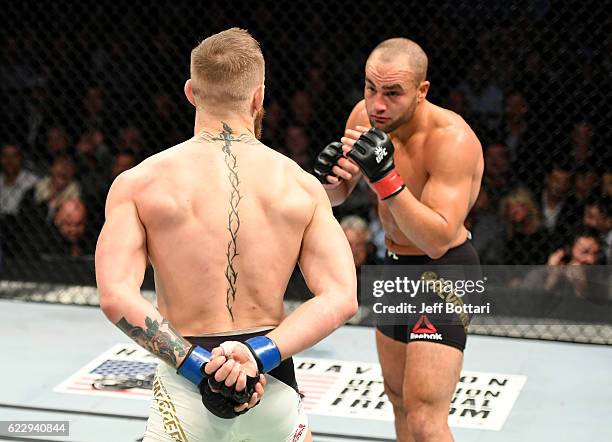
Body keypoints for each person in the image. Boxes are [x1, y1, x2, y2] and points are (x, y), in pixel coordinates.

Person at [95, 28, 357, 442]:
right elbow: (341, 296)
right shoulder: (300, 185)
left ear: (190, 92)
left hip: (184, 378)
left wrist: (199, 367)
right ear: (258, 97)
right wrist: (255, 356)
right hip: (272, 378)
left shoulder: (140, 183)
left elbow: (115, 295)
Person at [314, 38, 483, 442]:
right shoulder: (365, 115)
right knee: (398, 399)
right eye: (371, 88)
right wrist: (331, 182)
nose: (377, 104)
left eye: (392, 93)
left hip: (443, 271)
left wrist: (386, 178)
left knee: (426, 417)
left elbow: (438, 239)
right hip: (394, 266)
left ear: (421, 91)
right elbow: (339, 195)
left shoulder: (451, 139)